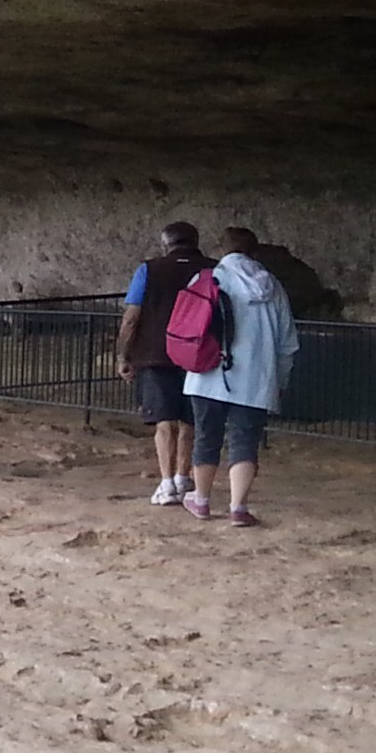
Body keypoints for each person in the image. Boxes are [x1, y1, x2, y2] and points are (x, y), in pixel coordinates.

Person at [184, 227, 299, 528]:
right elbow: (288, 342)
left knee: (206, 437)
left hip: (207, 374)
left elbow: (188, 327)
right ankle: (238, 507)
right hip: (255, 379)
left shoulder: (206, 279)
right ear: (255, 251)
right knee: (245, 442)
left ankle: (201, 500)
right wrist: (280, 380)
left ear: (222, 250)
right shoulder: (273, 286)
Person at [115, 221, 211, 504]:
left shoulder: (149, 269)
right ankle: (183, 478)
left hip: (157, 354)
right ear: (195, 241)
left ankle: (167, 483)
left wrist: (124, 354)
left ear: (165, 244)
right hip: (200, 353)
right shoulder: (213, 269)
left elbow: (132, 316)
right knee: (190, 420)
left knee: (164, 422)